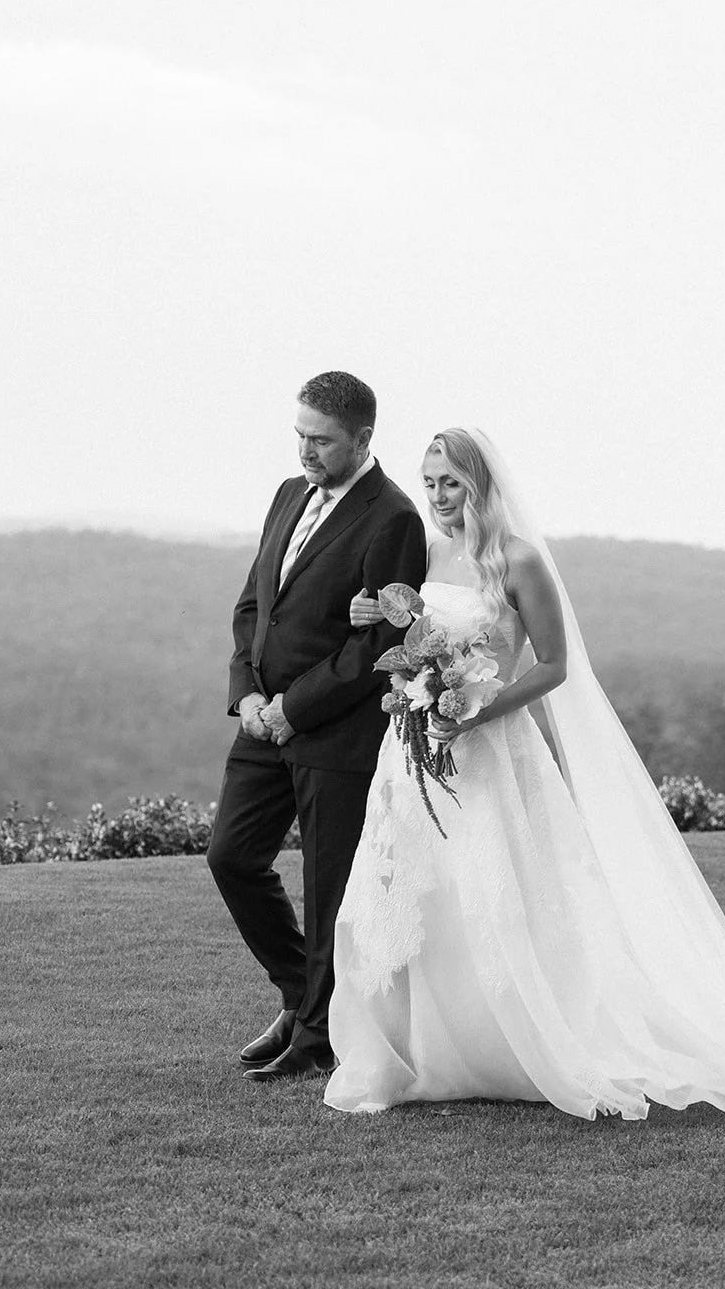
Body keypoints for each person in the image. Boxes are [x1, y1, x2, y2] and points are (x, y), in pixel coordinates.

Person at [323, 427, 725, 1121]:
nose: (436, 497)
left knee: (495, 893)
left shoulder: (517, 561)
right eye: (428, 483)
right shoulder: (427, 553)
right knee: (425, 894)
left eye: (449, 483)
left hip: (487, 747)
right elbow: (417, 634)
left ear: (479, 484)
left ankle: (520, 1045)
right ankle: (431, 1048)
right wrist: (384, 629)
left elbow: (553, 666)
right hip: (416, 745)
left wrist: (478, 712)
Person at [207, 372, 427, 1081]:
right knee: (232, 858)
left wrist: (289, 709)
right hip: (258, 721)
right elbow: (253, 608)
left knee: (328, 889)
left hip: (334, 733)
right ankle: (304, 1000)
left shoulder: (392, 518)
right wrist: (247, 697)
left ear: (361, 438)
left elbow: (374, 646)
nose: (305, 450)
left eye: (321, 440)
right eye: (300, 434)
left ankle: (313, 1040)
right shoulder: (286, 493)